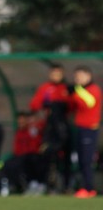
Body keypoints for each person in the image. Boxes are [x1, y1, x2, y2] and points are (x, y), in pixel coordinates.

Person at [29, 64, 71, 192]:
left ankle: (67, 186)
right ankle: (48, 184)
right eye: (53, 73)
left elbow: (74, 105)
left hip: (65, 126)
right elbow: (34, 105)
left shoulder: (67, 88)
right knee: (47, 155)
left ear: (62, 74)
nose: (56, 76)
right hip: (50, 127)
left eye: (58, 73)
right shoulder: (45, 88)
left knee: (66, 157)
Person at [69, 65, 101, 199]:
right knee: (81, 160)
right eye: (76, 77)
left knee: (87, 160)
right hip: (80, 129)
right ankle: (85, 188)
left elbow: (88, 103)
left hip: (90, 130)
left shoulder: (93, 90)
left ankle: (89, 188)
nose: (78, 79)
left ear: (89, 76)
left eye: (80, 76)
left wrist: (76, 91)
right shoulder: (81, 91)